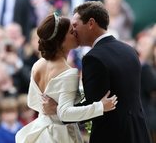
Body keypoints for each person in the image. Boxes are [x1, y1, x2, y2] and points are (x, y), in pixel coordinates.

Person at [43, 1, 152, 143]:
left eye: (75, 25)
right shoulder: (129, 50)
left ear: (91, 23)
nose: (73, 31)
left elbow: (94, 105)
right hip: (140, 133)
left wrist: (58, 110)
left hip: (112, 136)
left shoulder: (93, 58)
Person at [15, 12, 118, 143]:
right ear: (60, 41)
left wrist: (53, 109)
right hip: (58, 136)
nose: (75, 33)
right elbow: (65, 113)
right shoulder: (68, 72)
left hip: (40, 131)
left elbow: (32, 101)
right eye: (71, 32)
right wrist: (100, 107)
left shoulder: (38, 64)